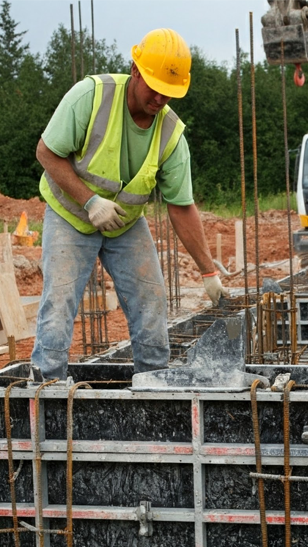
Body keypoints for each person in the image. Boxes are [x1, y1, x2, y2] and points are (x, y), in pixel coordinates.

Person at [31, 28, 226, 381]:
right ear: (135, 71)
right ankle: (48, 386)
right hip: (70, 216)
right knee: (58, 305)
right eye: (154, 87)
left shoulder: (170, 133)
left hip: (124, 225)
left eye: (169, 92)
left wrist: (208, 272)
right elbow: (46, 152)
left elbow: (181, 207)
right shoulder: (92, 97)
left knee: (151, 303)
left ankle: (154, 384)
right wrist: (90, 201)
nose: (160, 98)